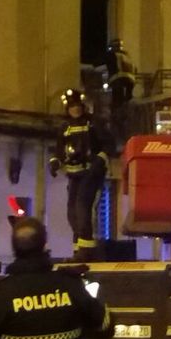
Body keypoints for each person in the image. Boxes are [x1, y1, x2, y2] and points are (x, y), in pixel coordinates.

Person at [48, 89, 108, 262]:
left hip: (90, 173)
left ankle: (86, 250)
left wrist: (99, 159)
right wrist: (55, 162)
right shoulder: (65, 127)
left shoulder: (92, 124)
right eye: (72, 106)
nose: (75, 109)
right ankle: (78, 249)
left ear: (83, 107)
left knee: (83, 208)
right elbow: (59, 149)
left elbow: (107, 144)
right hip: (73, 174)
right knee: (72, 212)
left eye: (77, 106)